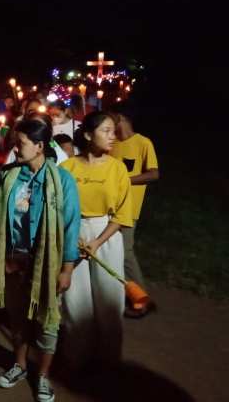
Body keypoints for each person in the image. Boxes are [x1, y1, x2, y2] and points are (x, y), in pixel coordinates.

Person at [0, 119, 81, 402]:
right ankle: (19, 366)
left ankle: (42, 376)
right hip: (14, 262)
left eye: (21, 144)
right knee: (17, 320)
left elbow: (70, 227)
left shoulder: (62, 180)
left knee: (47, 323)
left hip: (47, 266)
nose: (15, 149)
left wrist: (66, 269)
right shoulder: (10, 177)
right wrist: (2, 258)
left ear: (40, 146)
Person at [59, 112, 133, 369]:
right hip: (72, 233)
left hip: (106, 234)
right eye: (107, 131)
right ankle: (76, 357)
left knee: (110, 297)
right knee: (75, 299)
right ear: (89, 135)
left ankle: (110, 360)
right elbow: (57, 206)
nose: (113, 137)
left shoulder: (117, 168)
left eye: (114, 131)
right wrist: (71, 233)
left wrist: (98, 241)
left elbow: (123, 214)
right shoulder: (67, 168)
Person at [109, 102, 159, 318]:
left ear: (121, 118)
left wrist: (126, 180)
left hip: (129, 207)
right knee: (112, 253)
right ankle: (121, 296)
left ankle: (142, 299)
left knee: (126, 252)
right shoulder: (112, 144)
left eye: (111, 118)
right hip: (109, 205)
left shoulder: (142, 143)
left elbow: (154, 174)